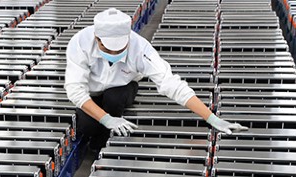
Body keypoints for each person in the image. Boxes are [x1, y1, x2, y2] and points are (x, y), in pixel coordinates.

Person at [64, 8, 247, 151]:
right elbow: (75, 90)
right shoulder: (80, 43)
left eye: (120, 49)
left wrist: (213, 119)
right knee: (86, 126)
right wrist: (105, 119)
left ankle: (103, 145)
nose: (115, 54)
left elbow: (171, 84)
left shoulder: (141, 49)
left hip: (123, 88)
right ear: (97, 39)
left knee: (114, 98)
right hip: (91, 91)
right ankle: (100, 131)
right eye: (109, 50)